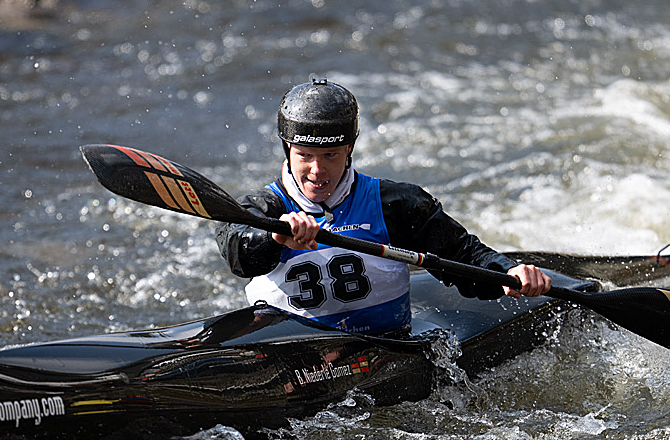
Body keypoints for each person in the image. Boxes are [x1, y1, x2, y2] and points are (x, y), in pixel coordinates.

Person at [215, 78, 551, 335]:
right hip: (294, 359)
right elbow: (238, 251)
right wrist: (274, 239)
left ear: (349, 149)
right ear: (287, 148)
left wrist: (506, 272)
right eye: (305, 155)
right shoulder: (261, 209)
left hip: (385, 346)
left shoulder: (396, 204)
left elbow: (462, 256)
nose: (317, 171)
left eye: (330, 156)